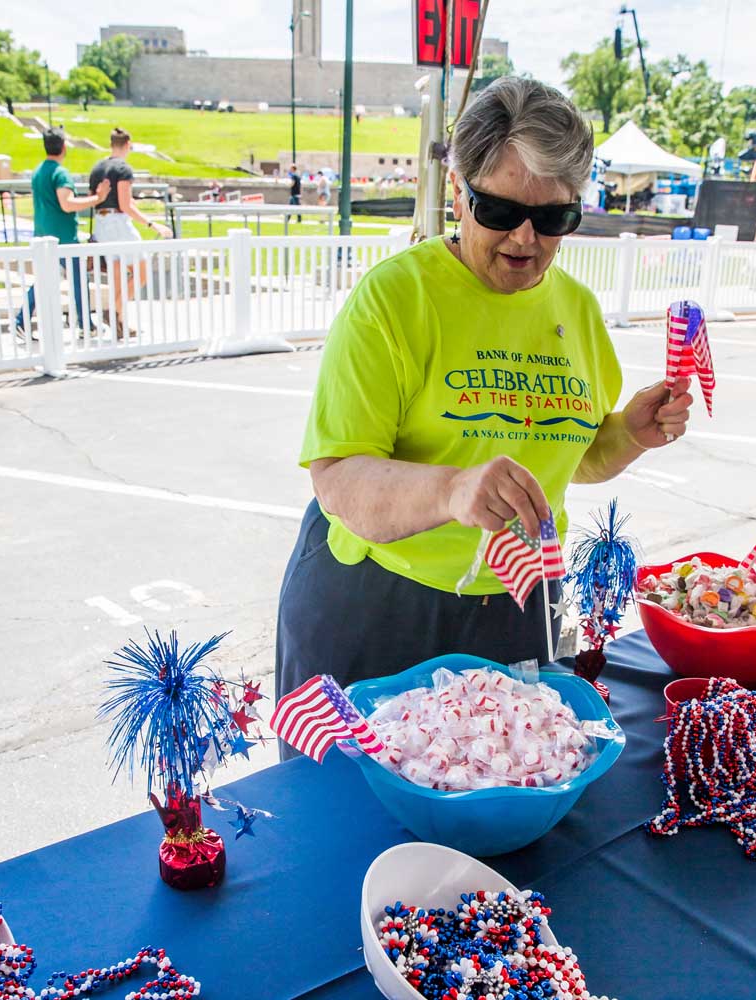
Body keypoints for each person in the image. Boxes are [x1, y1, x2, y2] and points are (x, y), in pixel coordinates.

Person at [275, 78, 693, 756]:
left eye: (554, 218)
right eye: (500, 210)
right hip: (381, 598)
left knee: (507, 797)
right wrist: (453, 489)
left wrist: (629, 435)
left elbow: (572, 455)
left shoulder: (578, 311)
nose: (525, 239)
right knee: (355, 823)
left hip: (516, 602)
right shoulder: (394, 299)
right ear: (458, 190)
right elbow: (339, 481)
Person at [15, 127, 110, 342]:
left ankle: (21, 321)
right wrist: (98, 198)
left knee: (43, 280)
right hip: (63, 237)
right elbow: (67, 204)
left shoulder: (39, 171)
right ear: (64, 147)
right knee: (77, 280)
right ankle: (85, 324)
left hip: (43, 234)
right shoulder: (60, 173)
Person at [89, 128, 173, 339]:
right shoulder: (123, 169)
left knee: (117, 272)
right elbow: (125, 205)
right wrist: (153, 224)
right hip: (118, 223)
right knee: (142, 271)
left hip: (102, 223)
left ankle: (119, 322)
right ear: (128, 145)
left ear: (111, 144)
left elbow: (98, 198)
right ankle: (114, 310)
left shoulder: (98, 168)